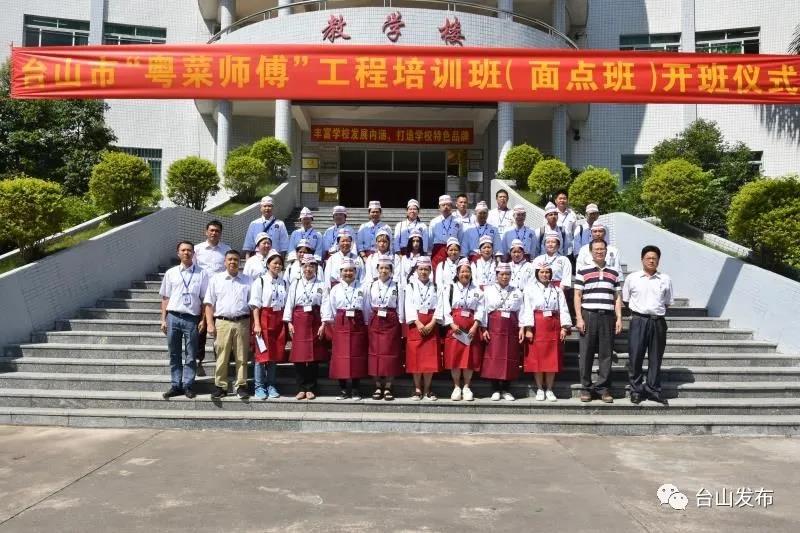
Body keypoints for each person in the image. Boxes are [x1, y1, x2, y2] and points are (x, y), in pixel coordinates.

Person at [573, 240, 623, 403]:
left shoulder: (614, 272)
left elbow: (617, 297)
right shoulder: (583, 270)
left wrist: (619, 318)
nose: (599, 251)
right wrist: (579, 318)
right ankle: (586, 388)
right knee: (586, 353)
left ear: (606, 251)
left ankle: (603, 388)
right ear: (591, 252)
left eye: (602, 249)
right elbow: (577, 296)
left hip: (607, 316)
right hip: (588, 315)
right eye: (596, 249)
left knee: (606, 354)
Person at [623, 245, 673, 405]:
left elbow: (667, 302)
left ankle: (653, 390)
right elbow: (625, 299)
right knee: (635, 357)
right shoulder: (632, 278)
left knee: (655, 357)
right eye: (648, 258)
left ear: (658, 260)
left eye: (654, 258)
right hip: (639, 320)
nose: (651, 261)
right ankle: (636, 390)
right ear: (642, 259)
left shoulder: (665, 279)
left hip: (658, 322)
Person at [159, 241, 209, 399]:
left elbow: (205, 299)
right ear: (178, 253)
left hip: (191, 318)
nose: (186, 252)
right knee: (174, 353)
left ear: (193, 253)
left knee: (191, 353)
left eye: (189, 250)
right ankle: (176, 385)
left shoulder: (202, 273)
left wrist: (203, 320)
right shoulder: (171, 273)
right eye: (183, 250)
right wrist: (163, 319)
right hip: (173, 316)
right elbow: (165, 297)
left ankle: (188, 384)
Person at [521, 259, 572, 402]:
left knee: (552, 359)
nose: (545, 275)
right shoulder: (529, 289)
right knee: (537, 358)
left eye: (547, 272)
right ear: (537, 273)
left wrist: (564, 327)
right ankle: (539, 388)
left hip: (553, 325)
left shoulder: (557, 290)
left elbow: (563, 308)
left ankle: (549, 388)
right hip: (537, 326)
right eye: (542, 272)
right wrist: (528, 328)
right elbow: (527, 309)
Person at [204, 250, 252, 400]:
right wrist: (210, 324)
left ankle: (241, 386)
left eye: (236, 259)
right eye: (230, 259)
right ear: (225, 262)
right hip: (222, 322)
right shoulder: (216, 279)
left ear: (240, 262)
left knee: (242, 356)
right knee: (222, 356)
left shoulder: (247, 280)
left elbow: (253, 304)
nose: (233, 262)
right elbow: (209, 304)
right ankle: (221, 386)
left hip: (242, 322)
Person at [436, 258, 485, 401]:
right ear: (457, 273)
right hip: (455, 328)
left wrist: (475, 326)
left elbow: (481, 309)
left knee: (469, 358)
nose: (465, 274)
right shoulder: (449, 288)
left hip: (471, 328)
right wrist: (451, 325)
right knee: (455, 357)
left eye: (467, 271)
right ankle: (457, 386)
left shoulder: (477, 290)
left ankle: (467, 387)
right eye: (462, 271)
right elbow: (445, 308)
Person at [323, 258, 370, 400]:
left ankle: (355, 389)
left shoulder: (362, 288)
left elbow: (366, 307)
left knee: (356, 356)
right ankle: (343, 389)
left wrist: (366, 324)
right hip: (341, 323)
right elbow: (332, 308)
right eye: (345, 271)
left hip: (358, 323)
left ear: (355, 272)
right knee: (340, 356)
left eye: (351, 270)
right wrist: (335, 322)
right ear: (340, 273)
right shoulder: (335, 289)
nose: (348, 273)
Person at [283, 255, 328, 400]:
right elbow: (289, 303)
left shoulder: (322, 285)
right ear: (302, 268)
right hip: (298, 320)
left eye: (311, 266)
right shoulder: (295, 284)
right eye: (306, 266)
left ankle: (311, 387)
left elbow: (325, 304)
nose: (308, 269)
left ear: (316, 268)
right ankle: (301, 387)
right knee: (299, 356)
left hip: (315, 320)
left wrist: (323, 324)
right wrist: (289, 322)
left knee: (314, 356)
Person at [248, 250, 288, 400]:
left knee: (274, 355)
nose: (277, 266)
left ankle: (271, 385)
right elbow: (255, 305)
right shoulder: (260, 281)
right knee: (261, 355)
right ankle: (259, 386)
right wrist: (257, 324)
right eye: (274, 263)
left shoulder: (284, 282)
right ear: (268, 264)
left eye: (280, 263)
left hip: (278, 320)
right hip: (264, 318)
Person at [481, 263, 523, 401]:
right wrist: (484, 328)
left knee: (510, 356)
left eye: (507, 274)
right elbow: (483, 310)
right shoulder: (488, 290)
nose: (505, 277)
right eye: (502, 274)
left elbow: (522, 311)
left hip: (511, 326)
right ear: (496, 275)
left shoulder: (517, 291)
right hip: (494, 326)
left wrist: (522, 327)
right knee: (494, 356)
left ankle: (506, 389)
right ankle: (495, 389)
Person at [193, 220, 231, 375]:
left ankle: (220, 360)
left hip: (220, 295)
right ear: (206, 231)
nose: (214, 233)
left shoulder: (226, 250)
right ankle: (198, 359)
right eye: (211, 230)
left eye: (217, 231)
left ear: (221, 233)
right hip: (202, 295)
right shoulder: (197, 249)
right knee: (201, 328)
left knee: (220, 329)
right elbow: (193, 270)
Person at [367, 256, 405, 401]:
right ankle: (377, 385)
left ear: (391, 270)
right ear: (377, 270)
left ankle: (388, 386)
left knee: (391, 353)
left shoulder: (397, 286)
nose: (384, 271)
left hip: (391, 320)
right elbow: (367, 305)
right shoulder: (371, 285)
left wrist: (400, 323)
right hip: (375, 320)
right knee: (375, 353)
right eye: (381, 268)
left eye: (387, 268)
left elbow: (400, 305)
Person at [404, 256, 440, 401]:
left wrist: (432, 323)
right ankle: (417, 388)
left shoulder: (436, 286)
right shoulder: (411, 286)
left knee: (429, 359)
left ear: (430, 271)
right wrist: (418, 323)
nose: (423, 272)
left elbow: (440, 306)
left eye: (426, 269)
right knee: (416, 358)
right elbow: (408, 305)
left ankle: (428, 389)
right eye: (421, 269)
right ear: (416, 271)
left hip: (431, 324)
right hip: (416, 324)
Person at [428, 194, 463, 272]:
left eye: (448, 205)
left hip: (453, 250)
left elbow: (460, 238)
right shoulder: (434, 222)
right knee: (437, 272)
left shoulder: (458, 221)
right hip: (438, 251)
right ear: (439, 207)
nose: (446, 207)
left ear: (451, 207)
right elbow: (430, 240)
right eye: (443, 205)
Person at [554, 190, 577, 257]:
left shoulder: (572, 214)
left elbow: (575, 233)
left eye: (564, 198)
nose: (562, 200)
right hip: (554, 250)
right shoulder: (551, 213)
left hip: (569, 251)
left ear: (567, 200)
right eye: (560, 198)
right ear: (556, 201)